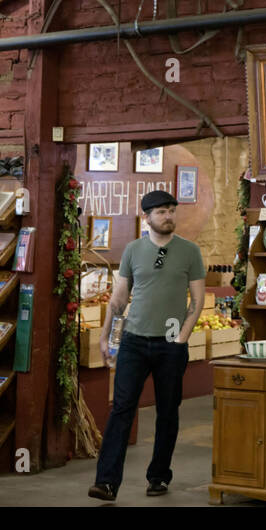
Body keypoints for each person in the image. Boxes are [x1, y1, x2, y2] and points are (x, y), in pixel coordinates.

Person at [88, 190, 205, 502]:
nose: (168, 217)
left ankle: (159, 477)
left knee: (168, 411)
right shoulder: (133, 250)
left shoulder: (189, 252)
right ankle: (107, 482)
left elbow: (197, 300)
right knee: (122, 409)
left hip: (170, 344)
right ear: (147, 217)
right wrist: (105, 335)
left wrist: (182, 337)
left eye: (171, 211)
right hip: (134, 342)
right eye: (161, 212)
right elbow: (119, 298)